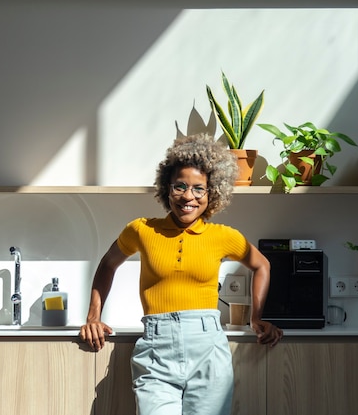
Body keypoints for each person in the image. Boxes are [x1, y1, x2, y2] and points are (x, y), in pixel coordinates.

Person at [79, 133, 283, 415]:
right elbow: (108, 264)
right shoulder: (141, 229)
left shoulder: (223, 236)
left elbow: (262, 265)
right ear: (166, 188)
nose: (188, 196)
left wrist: (256, 317)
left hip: (208, 349)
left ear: (212, 193)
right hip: (155, 349)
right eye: (180, 186)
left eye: (199, 189)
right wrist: (93, 317)